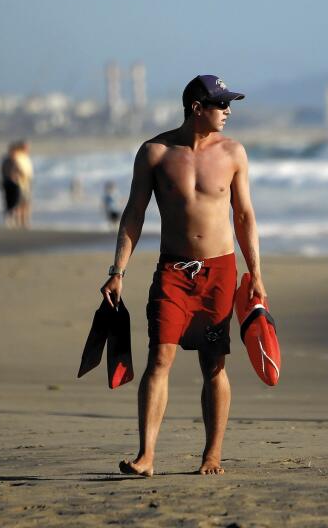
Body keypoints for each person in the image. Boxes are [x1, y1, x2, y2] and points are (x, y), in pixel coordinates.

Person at [99, 74, 265, 477]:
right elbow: (134, 213)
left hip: (219, 272)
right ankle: (147, 456)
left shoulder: (233, 152)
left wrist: (256, 273)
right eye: (221, 104)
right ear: (197, 108)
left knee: (214, 364)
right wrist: (118, 270)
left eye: (229, 104)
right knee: (160, 357)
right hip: (173, 269)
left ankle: (212, 455)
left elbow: (244, 217)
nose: (227, 111)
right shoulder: (155, 153)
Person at [0, 142, 23, 228]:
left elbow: (20, 171)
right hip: (7, 183)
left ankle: (13, 218)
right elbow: (2, 172)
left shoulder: (17, 160)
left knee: (15, 201)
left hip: (15, 183)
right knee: (8, 201)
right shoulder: (5, 161)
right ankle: (8, 219)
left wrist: (19, 177)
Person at [14, 140, 34, 229]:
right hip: (20, 184)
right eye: (26, 147)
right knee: (20, 203)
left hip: (27, 184)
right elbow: (16, 169)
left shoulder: (26, 158)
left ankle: (25, 221)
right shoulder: (17, 157)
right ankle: (19, 222)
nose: (28, 149)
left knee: (27, 203)